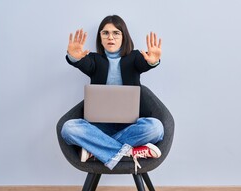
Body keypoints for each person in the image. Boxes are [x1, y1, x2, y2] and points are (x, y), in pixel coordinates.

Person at [61, 15, 164, 174]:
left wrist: (152, 61)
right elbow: (83, 63)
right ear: (100, 38)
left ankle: (95, 150)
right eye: (105, 33)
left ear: (124, 37)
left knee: (156, 128)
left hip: (132, 126)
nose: (110, 37)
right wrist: (74, 58)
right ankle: (129, 152)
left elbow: (144, 63)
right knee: (68, 129)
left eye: (116, 33)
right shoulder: (93, 59)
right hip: (100, 128)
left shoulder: (135, 57)